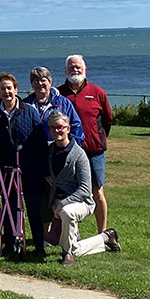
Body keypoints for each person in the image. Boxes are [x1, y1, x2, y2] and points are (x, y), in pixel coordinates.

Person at [46, 112, 121, 265]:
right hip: (57, 202)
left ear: (68, 129)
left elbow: (85, 189)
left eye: (60, 127)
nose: (57, 131)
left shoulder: (79, 155)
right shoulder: (49, 150)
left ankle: (67, 254)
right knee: (75, 246)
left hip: (83, 203)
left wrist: (63, 203)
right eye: (53, 128)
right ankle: (106, 237)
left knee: (66, 212)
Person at [0, 73, 48, 255]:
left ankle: (38, 245)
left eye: (9, 88)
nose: (6, 92)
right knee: (9, 206)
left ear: (16, 89)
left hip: (29, 168)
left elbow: (41, 142)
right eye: (3, 88)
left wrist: (43, 170)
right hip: (6, 168)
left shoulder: (29, 111)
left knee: (32, 207)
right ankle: (10, 243)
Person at [58, 55, 114, 234]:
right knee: (72, 194)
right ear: (65, 70)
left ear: (85, 70)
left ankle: (102, 234)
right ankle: (74, 234)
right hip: (69, 154)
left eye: (78, 67)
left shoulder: (98, 93)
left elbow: (107, 121)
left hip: (94, 152)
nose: (75, 70)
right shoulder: (59, 94)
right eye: (71, 67)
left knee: (97, 192)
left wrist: (96, 139)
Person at [24, 66, 84, 146]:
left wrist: (71, 148)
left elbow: (76, 127)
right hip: (34, 152)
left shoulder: (63, 103)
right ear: (32, 84)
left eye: (43, 80)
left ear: (50, 82)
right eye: (36, 81)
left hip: (57, 151)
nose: (40, 83)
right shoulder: (25, 105)